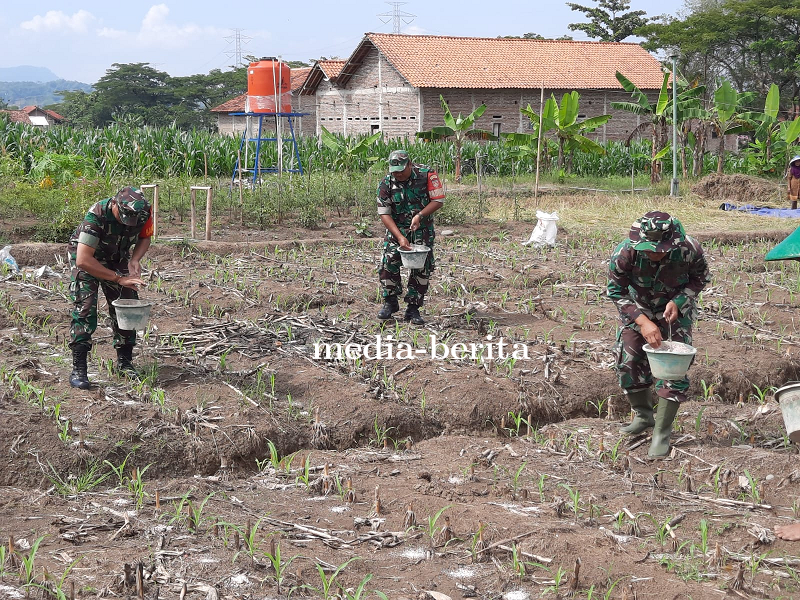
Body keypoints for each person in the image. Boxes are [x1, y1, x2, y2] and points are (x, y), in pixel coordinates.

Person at [607, 211, 711, 458]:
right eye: (649, 250)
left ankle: (661, 433)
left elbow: (700, 278)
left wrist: (679, 301)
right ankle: (644, 416)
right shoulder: (625, 253)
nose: (654, 254)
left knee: (673, 368)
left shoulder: (690, 249)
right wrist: (642, 322)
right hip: (638, 309)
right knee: (628, 360)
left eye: (660, 250)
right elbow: (616, 290)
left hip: (675, 313)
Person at [67, 186, 152, 389]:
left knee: (128, 304)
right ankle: (79, 369)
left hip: (117, 257)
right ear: (114, 203)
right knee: (85, 307)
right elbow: (83, 260)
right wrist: (118, 278)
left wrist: (135, 259)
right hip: (88, 259)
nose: (127, 222)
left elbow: (145, 237)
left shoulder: (143, 211)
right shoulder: (96, 216)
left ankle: (125, 363)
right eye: (123, 217)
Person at [376, 150, 445, 325]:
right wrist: (400, 237)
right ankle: (390, 302)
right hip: (396, 230)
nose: (398, 174)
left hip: (422, 230)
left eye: (401, 170)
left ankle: (413, 309)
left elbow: (438, 200)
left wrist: (420, 215)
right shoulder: (386, 183)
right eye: (394, 171)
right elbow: (384, 213)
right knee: (388, 263)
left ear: (409, 164)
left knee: (421, 268)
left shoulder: (427, 175)